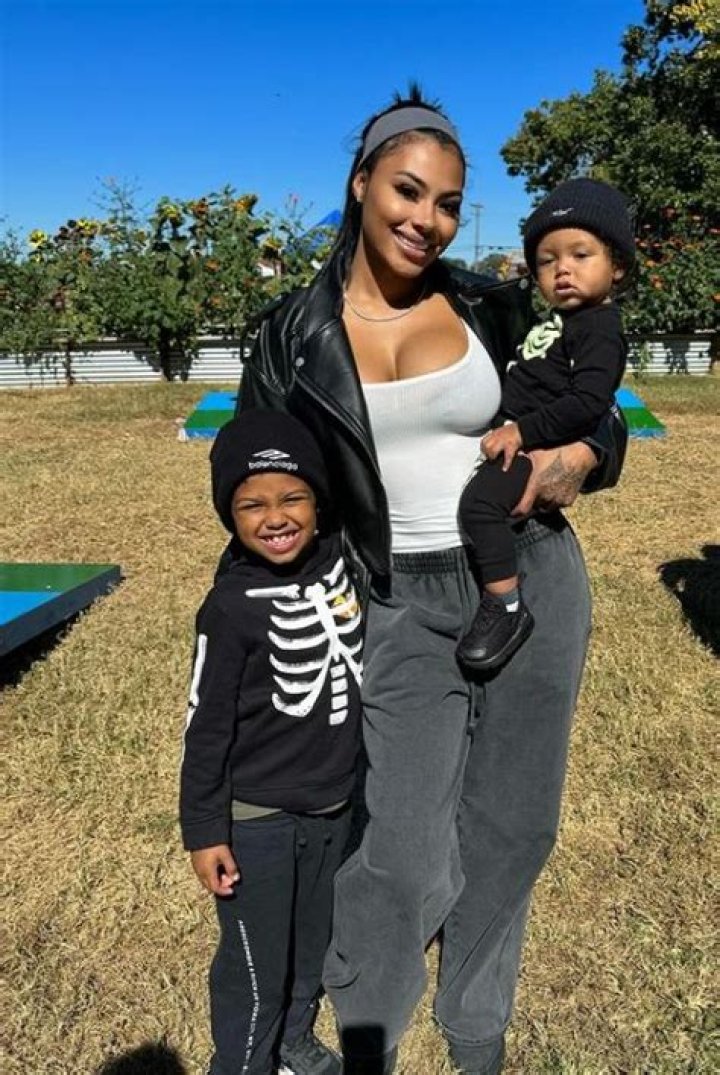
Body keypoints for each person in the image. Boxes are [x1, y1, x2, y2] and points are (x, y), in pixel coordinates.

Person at [234, 87, 627, 1075]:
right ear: (361, 184)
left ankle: (477, 1025)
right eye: (408, 191)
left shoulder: (496, 303)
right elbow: (245, 475)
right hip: (395, 597)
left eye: (448, 202)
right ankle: (368, 1027)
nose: (428, 219)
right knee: (404, 843)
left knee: (516, 823)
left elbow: (597, 396)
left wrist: (585, 455)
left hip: (529, 571)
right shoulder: (291, 335)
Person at [180, 409, 364, 1075]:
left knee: (312, 943)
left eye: (293, 498)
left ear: (319, 501)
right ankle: (242, 1063)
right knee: (255, 962)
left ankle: (293, 1040)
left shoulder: (341, 559)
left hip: (334, 806)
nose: (276, 517)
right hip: (258, 819)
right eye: (251, 505)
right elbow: (205, 726)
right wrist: (205, 831)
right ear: (228, 515)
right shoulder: (230, 607)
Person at [456, 178, 635, 672]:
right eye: (547, 261)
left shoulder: (600, 328)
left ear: (617, 266)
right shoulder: (560, 321)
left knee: (480, 507)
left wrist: (522, 432)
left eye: (581, 255)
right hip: (515, 433)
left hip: (533, 446)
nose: (563, 270)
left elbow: (588, 403)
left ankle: (506, 604)